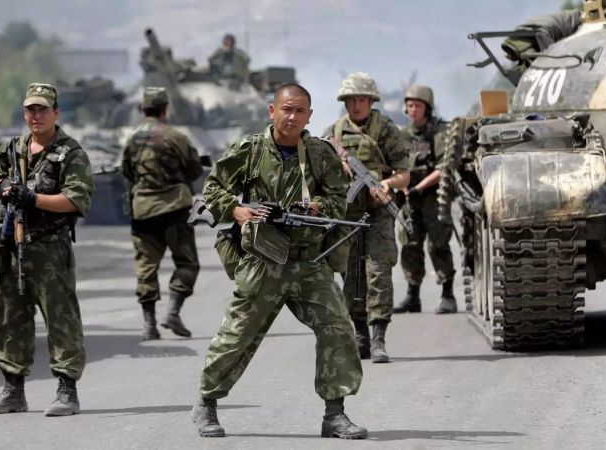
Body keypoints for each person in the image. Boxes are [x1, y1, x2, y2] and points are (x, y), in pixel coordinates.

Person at [192, 83, 367, 439]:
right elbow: (212, 188)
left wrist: (317, 208)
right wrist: (238, 210)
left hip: (308, 261)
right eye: (286, 109)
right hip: (263, 260)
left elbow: (338, 201)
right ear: (272, 111)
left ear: (309, 116)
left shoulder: (319, 154)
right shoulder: (250, 149)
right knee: (237, 335)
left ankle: (335, 413)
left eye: (300, 111)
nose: (292, 117)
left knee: (337, 327)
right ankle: (207, 404)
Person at [0, 83, 94, 417]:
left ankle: (66, 391)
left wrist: (33, 199)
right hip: (13, 248)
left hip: (49, 248)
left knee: (61, 319)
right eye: (31, 110)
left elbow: (75, 200)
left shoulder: (69, 152)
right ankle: (13, 390)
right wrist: (2, 186)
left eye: (43, 109)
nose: (36, 116)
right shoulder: (13, 149)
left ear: (56, 112)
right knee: (10, 320)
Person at [324, 72, 410, 363]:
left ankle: (378, 339)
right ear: (345, 102)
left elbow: (403, 174)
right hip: (348, 215)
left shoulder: (385, 129)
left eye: (362, 100)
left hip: (379, 213)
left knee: (379, 271)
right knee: (351, 274)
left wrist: (386, 185)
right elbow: (317, 175)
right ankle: (359, 334)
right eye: (352, 100)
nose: (358, 105)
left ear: (371, 101)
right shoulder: (333, 133)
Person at [121, 86, 203, 340]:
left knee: (146, 267)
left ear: (142, 109)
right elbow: (194, 169)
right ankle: (173, 312)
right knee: (187, 263)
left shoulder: (132, 139)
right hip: (174, 209)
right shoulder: (175, 136)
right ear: (165, 110)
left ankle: (149, 325)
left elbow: (127, 172)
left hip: (143, 211)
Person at [393, 85, 457, 314]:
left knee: (438, 243)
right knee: (410, 244)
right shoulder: (402, 135)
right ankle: (412, 296)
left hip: (432, 195)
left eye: (418, 105)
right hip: (410, 196)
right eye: (410, 105)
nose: (413, 110)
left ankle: (448, 295)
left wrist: (419, 187)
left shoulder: (439, 133)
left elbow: (444, 167)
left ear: (427, 107)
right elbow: (394, 165)